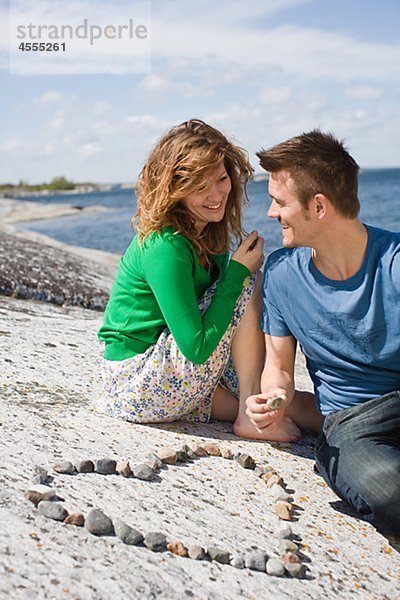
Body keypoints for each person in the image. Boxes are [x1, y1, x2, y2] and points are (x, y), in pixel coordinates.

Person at [245, 130, 400, 534]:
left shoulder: (395, 262)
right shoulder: (280, 275)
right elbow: (278, 366)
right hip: (353, 425)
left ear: (318, 207)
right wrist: (275, 398)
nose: (270, 213)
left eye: (279, 202)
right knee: (388, 492)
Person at [97, 119, 265, 431]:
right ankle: (248, 413)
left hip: (164, 375)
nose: (216, 194)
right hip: (135, 381)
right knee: (248, 282)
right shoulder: (165, 245)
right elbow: (197, 346)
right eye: (199, 187)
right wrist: (238, 272)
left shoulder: (210, 234)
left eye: (222, 179)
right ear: (175, 190)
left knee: (280, 407)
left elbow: (213, 318)